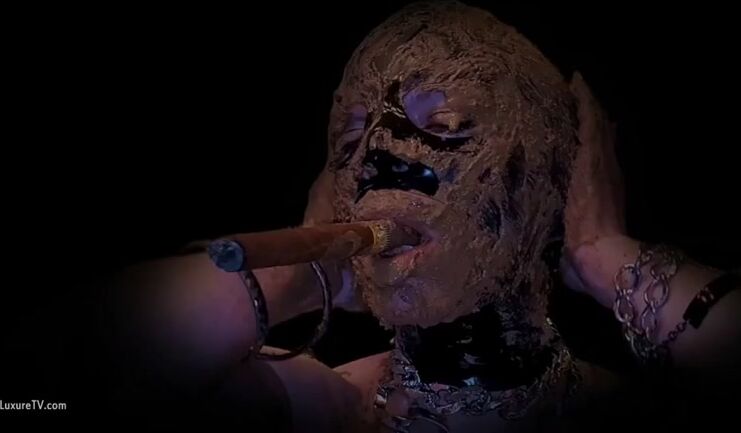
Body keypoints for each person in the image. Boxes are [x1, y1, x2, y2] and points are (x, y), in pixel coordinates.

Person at [105, 2, 740, 432]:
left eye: (446, 122)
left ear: (548, 184)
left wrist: (603, 252)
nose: (376, 153)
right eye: (351, 134)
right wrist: (302, 271)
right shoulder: (319, 407)